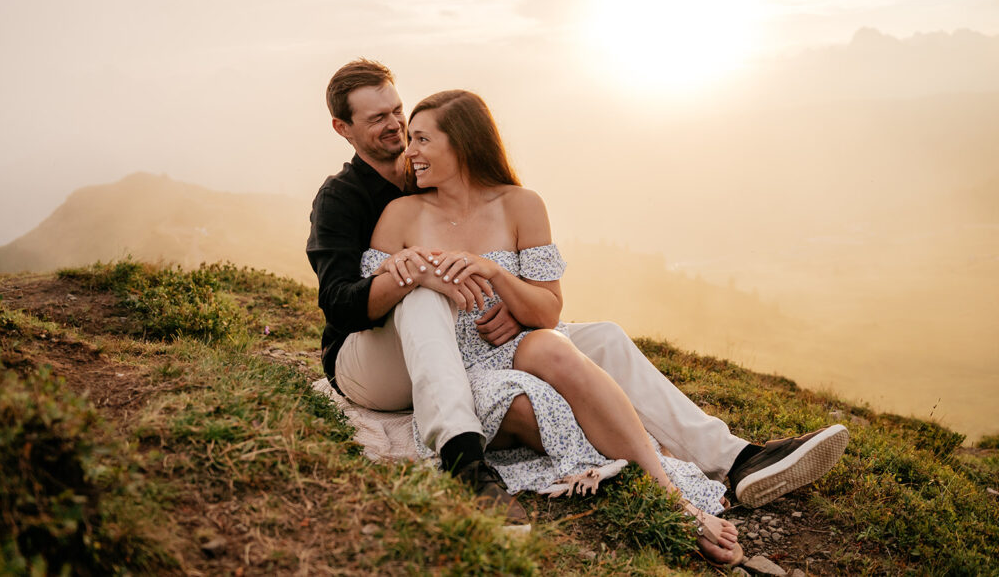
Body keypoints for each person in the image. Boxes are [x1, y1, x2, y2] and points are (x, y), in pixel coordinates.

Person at [305, 59, 848, 525]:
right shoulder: (348, 200)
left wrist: (514, 307)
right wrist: (412, 274)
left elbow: (537, 298)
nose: (398, 129)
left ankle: (737, 458)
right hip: (373, 354)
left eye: (399, 113)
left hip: (478, 338)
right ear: (342, 128)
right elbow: (341, 304)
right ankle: (463, 458)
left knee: (604, 338)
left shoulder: (453, 183)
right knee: (422, 298)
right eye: (380, 119)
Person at [365, 88, 751, 564]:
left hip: (518, 341)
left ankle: (673, 497)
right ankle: (650, 465)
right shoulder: (400, 214)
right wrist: (403, 267)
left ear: (462, 143)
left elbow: (547, 311)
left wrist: (497, 274)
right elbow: (375, 307)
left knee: (555, 348)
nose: (412, 152)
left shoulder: (521, 204)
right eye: (411, 139)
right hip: (453, 366)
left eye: (423, 139)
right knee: (538, 405)